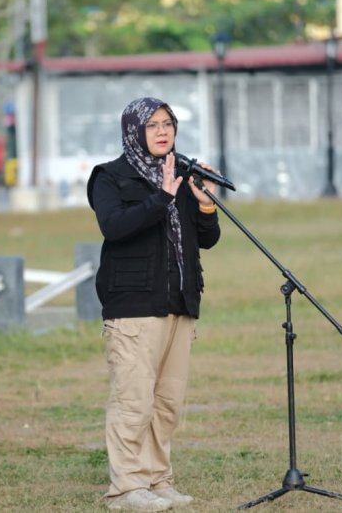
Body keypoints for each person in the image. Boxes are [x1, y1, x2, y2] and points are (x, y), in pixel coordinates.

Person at [87, 97, 221, 511]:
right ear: (134, 131)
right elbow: (115, 226)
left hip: (179, 303)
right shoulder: (110, 177)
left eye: (169, 124)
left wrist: (204, 201)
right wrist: (161, 196)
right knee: (134, 400)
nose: (163, 132)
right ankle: (126, 490)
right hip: (133, 307)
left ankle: (157, 479)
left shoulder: (181, 174)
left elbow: (206, 239)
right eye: (153, 125)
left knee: (167, 403)